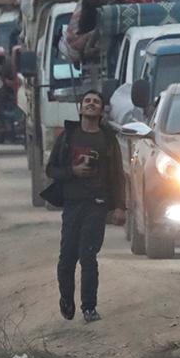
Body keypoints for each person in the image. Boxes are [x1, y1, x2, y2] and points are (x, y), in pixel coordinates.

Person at [45, 91, 125, 323]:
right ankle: (66, 301)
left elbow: (118, 175)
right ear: (80, 108)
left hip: (97, 205)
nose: (91, 104)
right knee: (67, 258)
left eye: (96, 102)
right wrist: (73, 171)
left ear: (101, 111)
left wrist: (120, 207)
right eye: (87, 101)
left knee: (88, 256)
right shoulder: (68, 137)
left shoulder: (107, 139)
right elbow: (51, 170)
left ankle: (89, 307)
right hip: (72, 204)